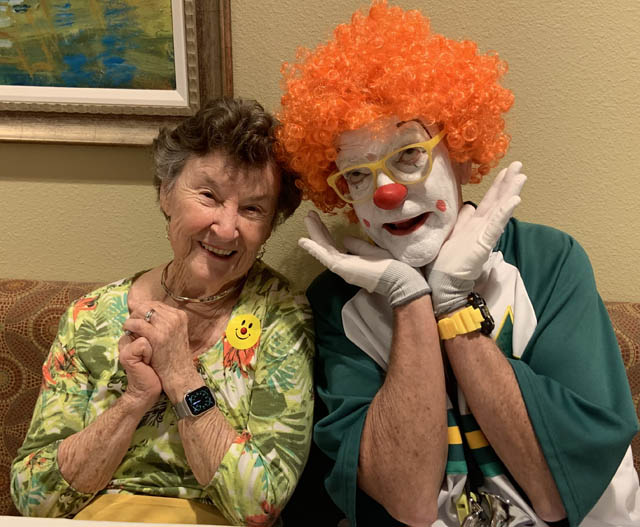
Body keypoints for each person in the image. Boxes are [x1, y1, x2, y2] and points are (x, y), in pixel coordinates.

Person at [277, 2, 640, 526]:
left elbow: (558, 491)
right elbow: (409, 501)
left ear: (460, 151)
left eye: (408, 155)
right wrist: (409, 298)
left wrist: (453, 303)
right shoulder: (336, 302)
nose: (385, 192)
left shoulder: (549, 262)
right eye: (357, 174)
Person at [10, 97, 315, 527]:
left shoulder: (281, 316)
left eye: (252, 209)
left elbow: (258, 506)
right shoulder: (90, 317)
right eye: (208, 195)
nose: (227, 228)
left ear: (269, 226)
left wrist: (180, 375)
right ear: (165, 193)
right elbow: (33, 497)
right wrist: (133, 401)